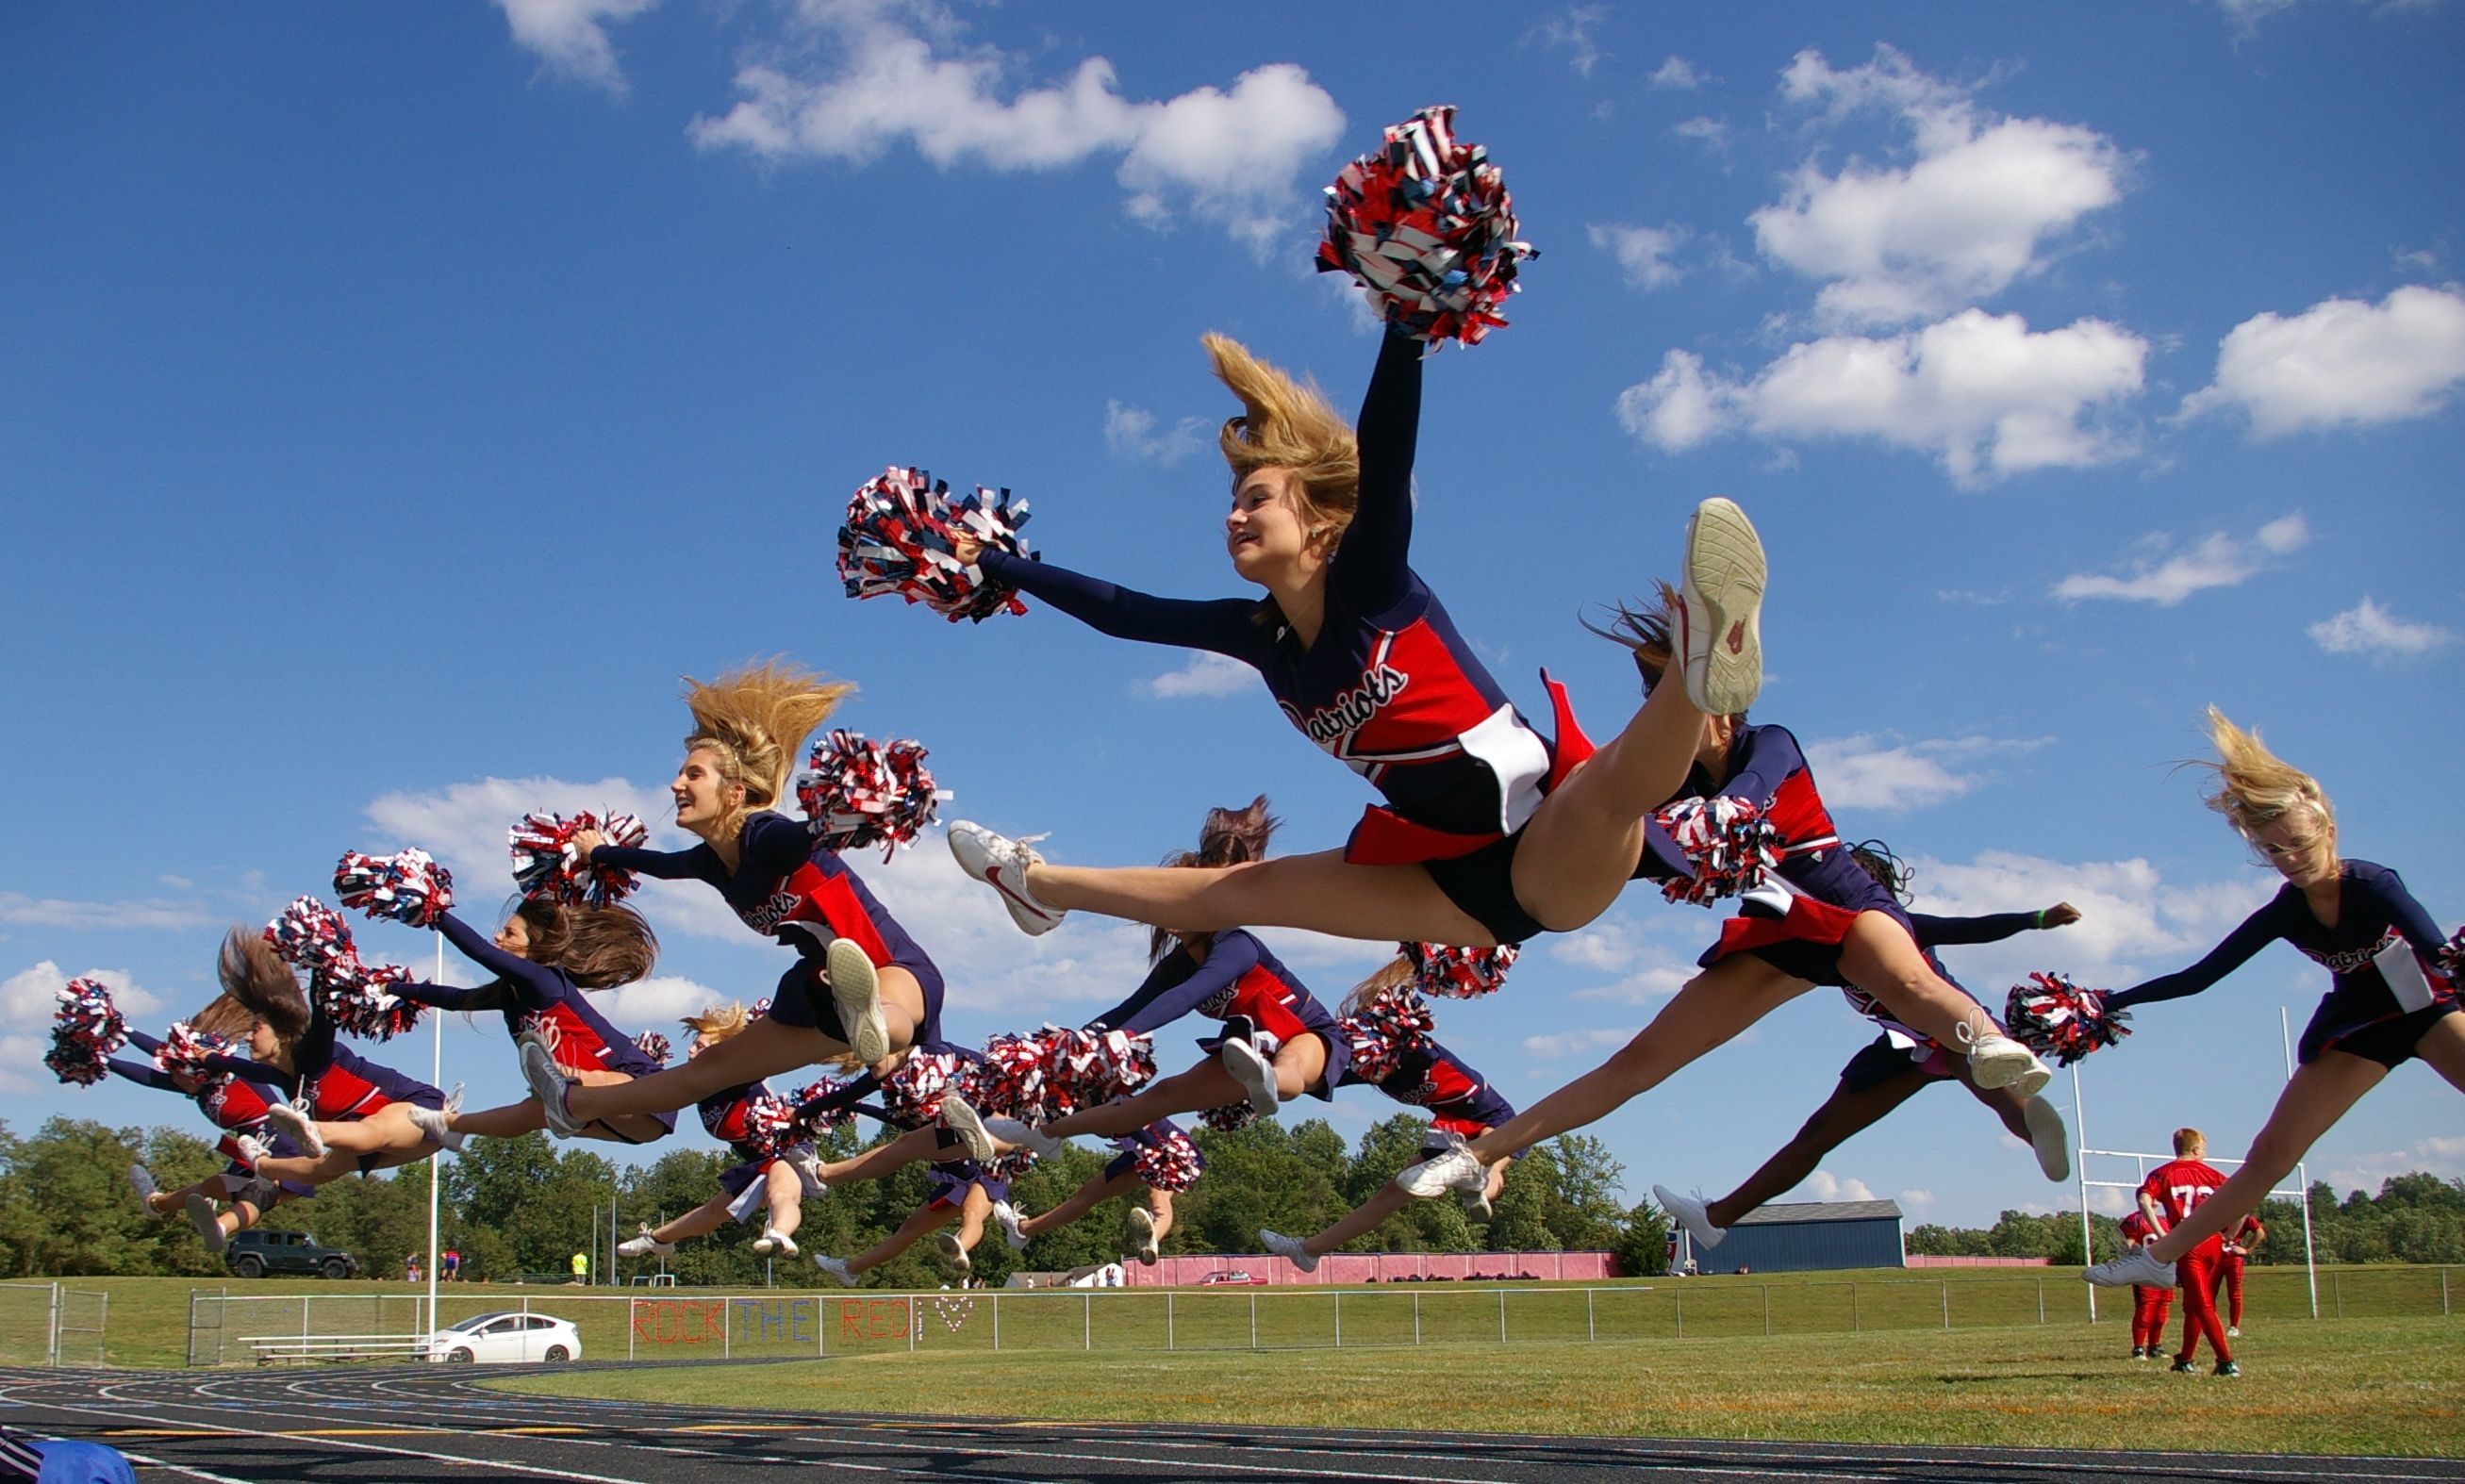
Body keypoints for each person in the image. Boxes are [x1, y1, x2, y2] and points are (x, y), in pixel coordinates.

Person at [942, 325, 1773, 954]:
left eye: (1257, 496)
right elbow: (1126, 611)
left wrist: (1405, 327)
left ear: (1321, 521)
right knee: (1229, 891)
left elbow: (1383, 459)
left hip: (1547, 844)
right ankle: (1034, 884)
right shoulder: (1261, 638)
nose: (1234, 514)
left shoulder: (1372, 585)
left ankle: (1700, 665)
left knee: (1605, 786)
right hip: (1443, 886)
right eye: (1231, 500)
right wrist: (1001, 565)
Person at [1394, 605, 2052, 1205]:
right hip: (1777, 938)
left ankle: (1990, 1046)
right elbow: (1608, 863)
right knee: (1637, 1064)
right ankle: (1478, 1153)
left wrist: (1710, 812)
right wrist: (1504, 913)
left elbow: (1750, 792)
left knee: (1909, 978)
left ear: (1722, 708)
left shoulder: (1770, 742)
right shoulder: (1666, 783)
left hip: (1848, 907)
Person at [2086, 709, 2460, 1299]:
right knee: (2270, 1157)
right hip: (2357, 1027)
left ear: (2328, 828)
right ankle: (2158, 1259)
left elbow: (2438, 953)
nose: (2289, 858)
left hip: (2427, 1009)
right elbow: (2198, 977)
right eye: (2273, 850)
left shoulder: (2372, 883)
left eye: (2299, 842)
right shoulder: (2285, 910)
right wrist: (2106, 1001)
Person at [523, 663, 976, 1145]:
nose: (677, 785)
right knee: (713, 1068)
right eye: (680, 774)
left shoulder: (766, 836)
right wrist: (598, 853)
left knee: (888, 1011)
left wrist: (855, 806)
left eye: (693, 774)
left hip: (893, 966)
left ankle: (870, 1019)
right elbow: (654, 862)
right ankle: (575, 1103)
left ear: (735, 793)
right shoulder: (711, 863)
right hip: (820, 986)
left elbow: (807, 837)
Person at [1653, 848, 2081, 1251]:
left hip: (1956, 1032)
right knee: (1817, 1135)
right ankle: (1716, 1217)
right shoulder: (1835, 945)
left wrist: (2037, 918)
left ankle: (2034, 1129)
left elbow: (1967, 928)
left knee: (1983, 1073)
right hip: (1900, 1051)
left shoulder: (1897, 926)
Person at [989, 801, 1355, 1157]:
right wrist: (1069, 1047)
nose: (1167, 908)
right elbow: (1127, 1010)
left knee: (1292, 1059)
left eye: (1180, 901)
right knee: (1160, 1098)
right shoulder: (1177, 964)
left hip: (1309, 1036)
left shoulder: (1237, 946)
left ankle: (1270, 1082)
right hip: (1245, 1051)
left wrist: (1124, 1039)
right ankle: (1040, 1134)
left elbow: (1184, 998)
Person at [1261, 961, 1517, 1272]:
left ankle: (1475, 1184)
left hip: (1494, 1116)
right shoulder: (1375, 1065)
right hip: (1451, 1123)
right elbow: (1324, 1074)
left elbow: (1410, 1033)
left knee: (1491, 1168)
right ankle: (1309, 1250)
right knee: (1391, 1193)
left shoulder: (1416, 1048)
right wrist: (1278, 1069)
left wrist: (1412, 980)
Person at [199, 930, 449, 1230]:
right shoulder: (286, 1077)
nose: (248, 1036)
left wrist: (322, 959)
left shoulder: (315, 1053)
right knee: (321, 1169)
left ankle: (314, 1130)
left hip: (422, 1113)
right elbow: (227, 1064)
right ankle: (263, 1166)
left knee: (374, 1128)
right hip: (366, 1140)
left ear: (283, 1032)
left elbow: (322, 1010)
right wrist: (200, 1057)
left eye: (256, 1028)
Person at [390, 898, 671, 1147]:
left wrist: (434, 912)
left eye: (509, 933)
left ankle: (561, 1082)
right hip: (604, 1119)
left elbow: (480, 952)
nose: (497, 937)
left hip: (641, 1094)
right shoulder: (510, 995)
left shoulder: (545, 981)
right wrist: (392, 990)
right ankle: (452, 1125)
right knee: (529, 1114)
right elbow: (453, 999)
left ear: (535, 945)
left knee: (587, 1085)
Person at [618, 1003, 823, 1261]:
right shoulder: (695, 1086)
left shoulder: (738, 1077)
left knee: (780, 1194)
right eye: (693, 1045)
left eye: (700, 1046)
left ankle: (780, 1233)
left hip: (784, 1157)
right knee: (713, 1212)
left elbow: (772, 1054)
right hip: (756, 1163)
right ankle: (657, 1240)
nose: (691, 1050)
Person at [995, 1120, 1198, 1266]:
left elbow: (1097, 1125)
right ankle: (1022, 1229)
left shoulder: (1106, 1100)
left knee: (1158, 1197)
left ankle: (1151, 1241)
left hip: (1173, 1148)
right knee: (1087, 1194)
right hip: (1140, 1151)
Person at [2133, 1129, 2236, 1376]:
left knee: (2201, 1304)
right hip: (2212, 1241)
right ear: (2196, 1149)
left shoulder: (2162, 1173)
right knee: (2195, 1304)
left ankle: (2225, 1361)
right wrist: (2230, 1234)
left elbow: (2145, 1201)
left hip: (2188, 1241)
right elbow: (2242, 1205)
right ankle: (2185, 1359)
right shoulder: (2213, 1175)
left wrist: (2162, 1235)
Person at [2117, 1209, 2172, 1360]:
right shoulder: (2135, 1220)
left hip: (2164, 1269)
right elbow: (2128, 1244)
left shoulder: (2165, 1220)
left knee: (2161, 1311)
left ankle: (2155, 1346)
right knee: (2146, 1309)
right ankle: (2138, 1347)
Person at [2218, 1212, 2265, 1336]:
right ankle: (2207, 1324)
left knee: (2234, 1293)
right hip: (2215, 1255)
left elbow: (2260, 1232)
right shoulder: (2215, 1211)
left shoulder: (2242, 1213)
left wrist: (2247, 1250)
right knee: (2208, 1291)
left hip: (2233, 1257)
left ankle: (2234, 1326)